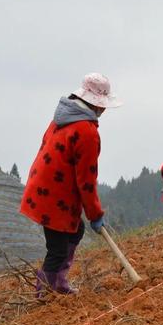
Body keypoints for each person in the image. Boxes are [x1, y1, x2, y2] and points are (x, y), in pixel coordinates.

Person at [21, 73, 121, 295]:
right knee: (57, 249)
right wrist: (95, 214)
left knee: (76, 231)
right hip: (55, 196)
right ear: (95, 104)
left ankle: (59, 282)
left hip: (42, 188)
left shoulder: (60, 118)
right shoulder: (87, 131)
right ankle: (44, 292)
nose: (104, 110)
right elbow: (86, 180)